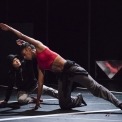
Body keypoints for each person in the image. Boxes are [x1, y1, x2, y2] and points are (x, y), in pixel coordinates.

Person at [0, 23, 122, 110]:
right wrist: (37, 100)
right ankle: (78, 99)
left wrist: (9, 29)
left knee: (95, 88)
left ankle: (118, 103)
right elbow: (40, 83)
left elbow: (21, 35)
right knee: (64, 105)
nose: (24, 57)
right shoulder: (39, 65)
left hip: (71, 69)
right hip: (63, 77)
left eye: (24, 54)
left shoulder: (40, 46)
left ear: (28, 49)